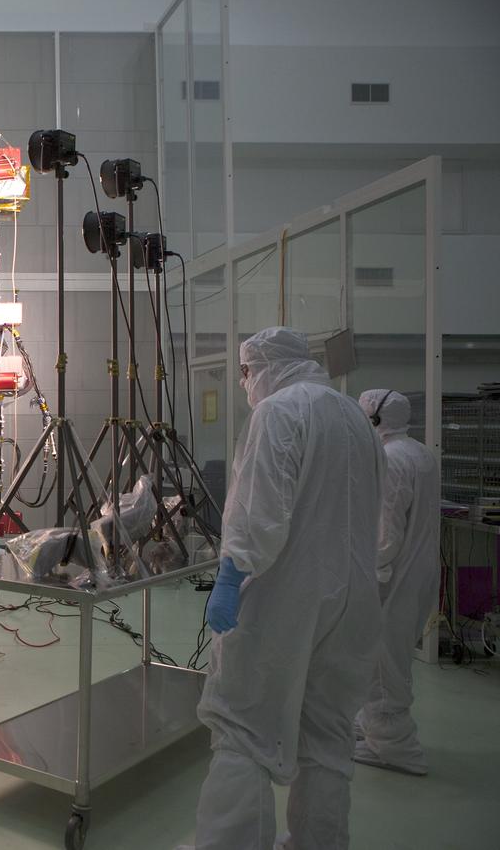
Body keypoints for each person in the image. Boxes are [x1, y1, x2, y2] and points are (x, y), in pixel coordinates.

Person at [188, 327, 384, 850]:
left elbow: (258, 514)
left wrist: (230, 576)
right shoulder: (355, 419)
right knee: (327, 736)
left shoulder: (279, 413)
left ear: (268, 367)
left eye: (247, 373)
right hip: (351, 603)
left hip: (285, 599)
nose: (245, 384)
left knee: (242, 725)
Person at [352, 389, 440, 775]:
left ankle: (395, 746)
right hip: (418, 571)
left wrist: (361, 570)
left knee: (383, 661)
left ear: (373, 420)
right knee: (387, 656)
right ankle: (372, 726)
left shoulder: (389, 460)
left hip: (393, 576)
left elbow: (386, 536)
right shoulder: (419, 453)